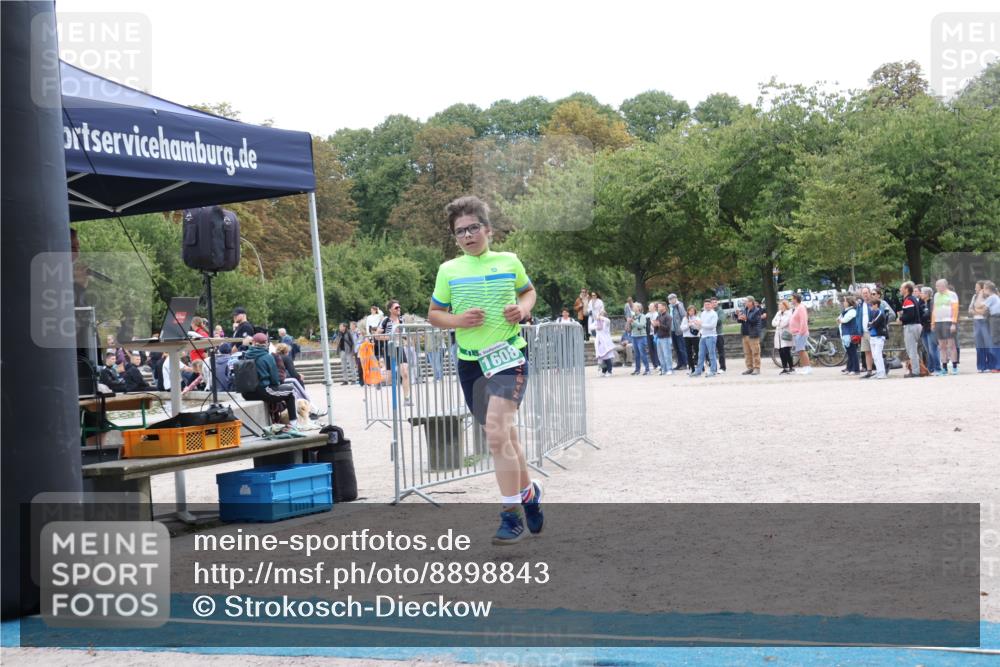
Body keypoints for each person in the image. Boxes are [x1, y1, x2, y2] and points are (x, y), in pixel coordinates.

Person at [427, 195, 541, 545]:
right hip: (471, 362)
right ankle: (529, 494)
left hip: (508, 356)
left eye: (473, 228)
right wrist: (458, 320)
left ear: (487, 229)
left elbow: (529, 292)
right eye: (460, 231)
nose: (467, 236)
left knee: (495, 434)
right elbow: (434, 314)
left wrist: (522, 310)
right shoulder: (449, 270)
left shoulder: (509, 261)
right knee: (507, 438)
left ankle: (511, 516)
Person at [241, 332, 299, 433]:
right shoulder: (267, 357)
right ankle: (294, 425)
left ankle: (278, 423)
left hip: (246, 393)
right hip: (263, 391)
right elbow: (275, 379)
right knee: (290, 393)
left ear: (253, 343)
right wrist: (277, 385)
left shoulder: (246, 356)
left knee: (279, 392)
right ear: (266, 343)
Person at [377, 299, 412, 405]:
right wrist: (390, 337)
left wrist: (406, 340)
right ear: (390, 310)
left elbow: (404, 336)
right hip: (389, 348)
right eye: (396, 307)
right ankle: (378, 380)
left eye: (399, 307)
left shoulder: (401, 321)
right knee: (389, 379)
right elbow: (377, 336)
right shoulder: (385, 321)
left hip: (399, 348)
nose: (399, 309)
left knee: (405, 373)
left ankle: (407, 399)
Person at [931, 278, 960, 375]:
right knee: (941, 346)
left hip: (948, 321)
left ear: (944, 286)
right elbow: (934, 310)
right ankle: (944, 368)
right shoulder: (936, 295)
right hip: (938, 322)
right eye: (936, 286)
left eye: (938, 286)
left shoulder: (952, 294)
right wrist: (933, 323)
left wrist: (954, 323)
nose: (936, 287)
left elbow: (955, 309)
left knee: (951, 345)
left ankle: (955, 366)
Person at [899, 282, 924, 378]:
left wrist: (900, 318)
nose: (900, 289)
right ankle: (919, 369)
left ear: (906, 289)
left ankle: (915, 372)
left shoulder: (908, 300)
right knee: (916, 350)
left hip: (911, 326)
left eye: (901, 287)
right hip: (917, 325)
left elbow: (910, 315)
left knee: (911, 350)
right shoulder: (913, 299)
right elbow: (920, 312)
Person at [737, 296, 763, 375]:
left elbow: (754, 321)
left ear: (751, 302)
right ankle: (750, 368)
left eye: (746, 301)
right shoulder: (745, 309)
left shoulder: (757, 311)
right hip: (745, 334)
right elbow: (741, 321)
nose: (745, 303)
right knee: (747, 353)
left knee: (755, 352)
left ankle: (756, 368)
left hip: (753, 334)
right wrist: (738, 317)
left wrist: (745, 319)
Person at [691, 299, 718, 377]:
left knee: (711, 355)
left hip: (711, 336)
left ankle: (713, 371)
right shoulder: (702, 313)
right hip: (703, 336)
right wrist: (696, 325)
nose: (707, 306)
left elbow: (712, 326)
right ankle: (698, 371)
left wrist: (701, 324)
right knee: (700, 354)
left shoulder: (714, 314)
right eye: (705, 304)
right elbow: (701, 326)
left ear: (711, 305)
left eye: (708, 304)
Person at [969, 280, 991, 373]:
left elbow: (987, 311)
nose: (975, 289)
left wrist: (976, 311)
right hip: (977, 321)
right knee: (979, 345)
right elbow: (970, 310)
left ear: (982, 288)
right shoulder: (974, 297)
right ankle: (981, 366)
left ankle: (990, 365)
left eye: (977, 287)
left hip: (986, 321)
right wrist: (978, 311)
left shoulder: (989, 297)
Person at [867, 293, 890, 379]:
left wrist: (870, 324)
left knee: (878, 355)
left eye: (872, 305)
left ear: (876, 305)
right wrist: (870, 324)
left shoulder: (880, 313)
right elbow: (868, 324)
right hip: (872, 336)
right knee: (874, 356)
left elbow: (874, 323)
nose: (870, 307)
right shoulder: (872, 313)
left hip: (879, 336)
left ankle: (882, 373)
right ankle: (878, 371)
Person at [788, 293, 811, 375]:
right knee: (800, 351)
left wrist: (801, 333)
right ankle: (805, 367)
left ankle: (808, 368)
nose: (791, 300)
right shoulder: (797, 308)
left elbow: (803, 320)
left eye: (792, 298)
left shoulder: (801, 307)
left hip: (800, 333)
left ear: (795, 299)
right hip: (796, 333)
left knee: (802, 350)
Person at [918, 286, 940, 374]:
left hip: (931, 328)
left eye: (922, 293)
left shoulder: (932, 303)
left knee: (933, 349)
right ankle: (931, 368)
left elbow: (931, 315)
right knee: (927, 350)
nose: (920, 294)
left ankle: (937, 368)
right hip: (924, 329)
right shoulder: (922, 303)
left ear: (927, 294)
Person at [627, 302, 651, 375]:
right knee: (636, 354)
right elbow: (631, 327)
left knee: (643, 353)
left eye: (634, 306)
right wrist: (629, 322)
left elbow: (641, 325)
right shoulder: (633, 316)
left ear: (639, 308)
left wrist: (633, 322)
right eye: (633, 306)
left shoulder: (642, 316)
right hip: (634, 336)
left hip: (641, 337)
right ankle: (637, 370)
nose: (633, 307)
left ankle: (647, 370)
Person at [773, 299, 795, 374]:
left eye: (780, 305)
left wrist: (778, 322)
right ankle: (785, 368)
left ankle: (791, 367)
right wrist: (778, 323)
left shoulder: (789, 313)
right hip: (778, 335)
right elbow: (773, 323)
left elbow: (784, 323)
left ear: (785, 305)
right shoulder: (778, 313)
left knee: (786, 351)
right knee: (781, 352)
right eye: (779, 305)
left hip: (785, 335)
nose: (779, 306)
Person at [592, 307, 616, 376]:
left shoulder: (607, 321)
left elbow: (607, 320)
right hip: (599, 342)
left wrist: (600, 317)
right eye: (600, 314)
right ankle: (603, 371)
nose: (600, 315)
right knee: (602, 358)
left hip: (606, 342)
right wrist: (596, 327)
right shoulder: (597, 322)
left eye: (602, 314)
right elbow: (591, 327)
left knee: (607, 357)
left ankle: (609, 371)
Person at [652, 301, 674, 376]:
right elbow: (657, 328)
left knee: (667, 354)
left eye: (659, 306)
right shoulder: (659, 316)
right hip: (659, 338)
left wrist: (659, 325)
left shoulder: (668, 316)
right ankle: (663, 369)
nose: (658, 308)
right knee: (660, 355)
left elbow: (668, 328)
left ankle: (669, 369)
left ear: (664, 307)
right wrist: (655, 325)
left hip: (666, 338)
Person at [667, 294, 688, 370]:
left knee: (681, 347)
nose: (671, 300)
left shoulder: (679, 306)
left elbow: (684, 316)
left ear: (675, 298)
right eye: (669, 299)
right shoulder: (670, 307)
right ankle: (679, 363)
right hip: (672, 330)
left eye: (672, 299)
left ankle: (685, 363)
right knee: (676, 348)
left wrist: (682, 327)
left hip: (679, 330)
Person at [983, 280, 1000, 371]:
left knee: (995, 342)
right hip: (996, 319)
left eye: (984, 289)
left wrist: (975, 310)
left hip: (995, 319)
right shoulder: (996, 297)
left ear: (987, 289)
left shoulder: (991, 297)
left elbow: (983, 308)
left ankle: (998, 366)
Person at [709, 297, 727, 373]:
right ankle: (713, 367)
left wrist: (710, 322)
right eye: (712, 302)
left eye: (715, 302)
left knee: (721, 351)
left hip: (718, 334)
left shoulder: (720, 311)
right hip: (710, 334)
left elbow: (720, 321)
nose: (714, 304)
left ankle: (722, 367)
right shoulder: (708, 311)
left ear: (717, 303)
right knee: (711, 352)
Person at [681, 305, 700, 373]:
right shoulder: (685, 319)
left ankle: (700, 366)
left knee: (697, 352)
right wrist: (688, 325)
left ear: (695, 311)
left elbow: (699, 328)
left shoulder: (697, 318)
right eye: (690, 311)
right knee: (689, 352)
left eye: (693, 311)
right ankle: (692, 368)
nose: (691, 312)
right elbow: (682, 328)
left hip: (695, 337)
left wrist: (695, 325)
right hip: (687, 337)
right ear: (688, 311)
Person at [646, 302, 660, 370]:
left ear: (654, 307)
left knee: (656, 349)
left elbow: (656, 324)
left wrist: (652, 322)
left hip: (655, 333)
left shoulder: (657, 314)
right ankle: (654, 364)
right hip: (649, 334)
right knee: (650, 349)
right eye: (649, 307)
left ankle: (658, 363)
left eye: (651, 307)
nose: (649, 308)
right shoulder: (647, 315)